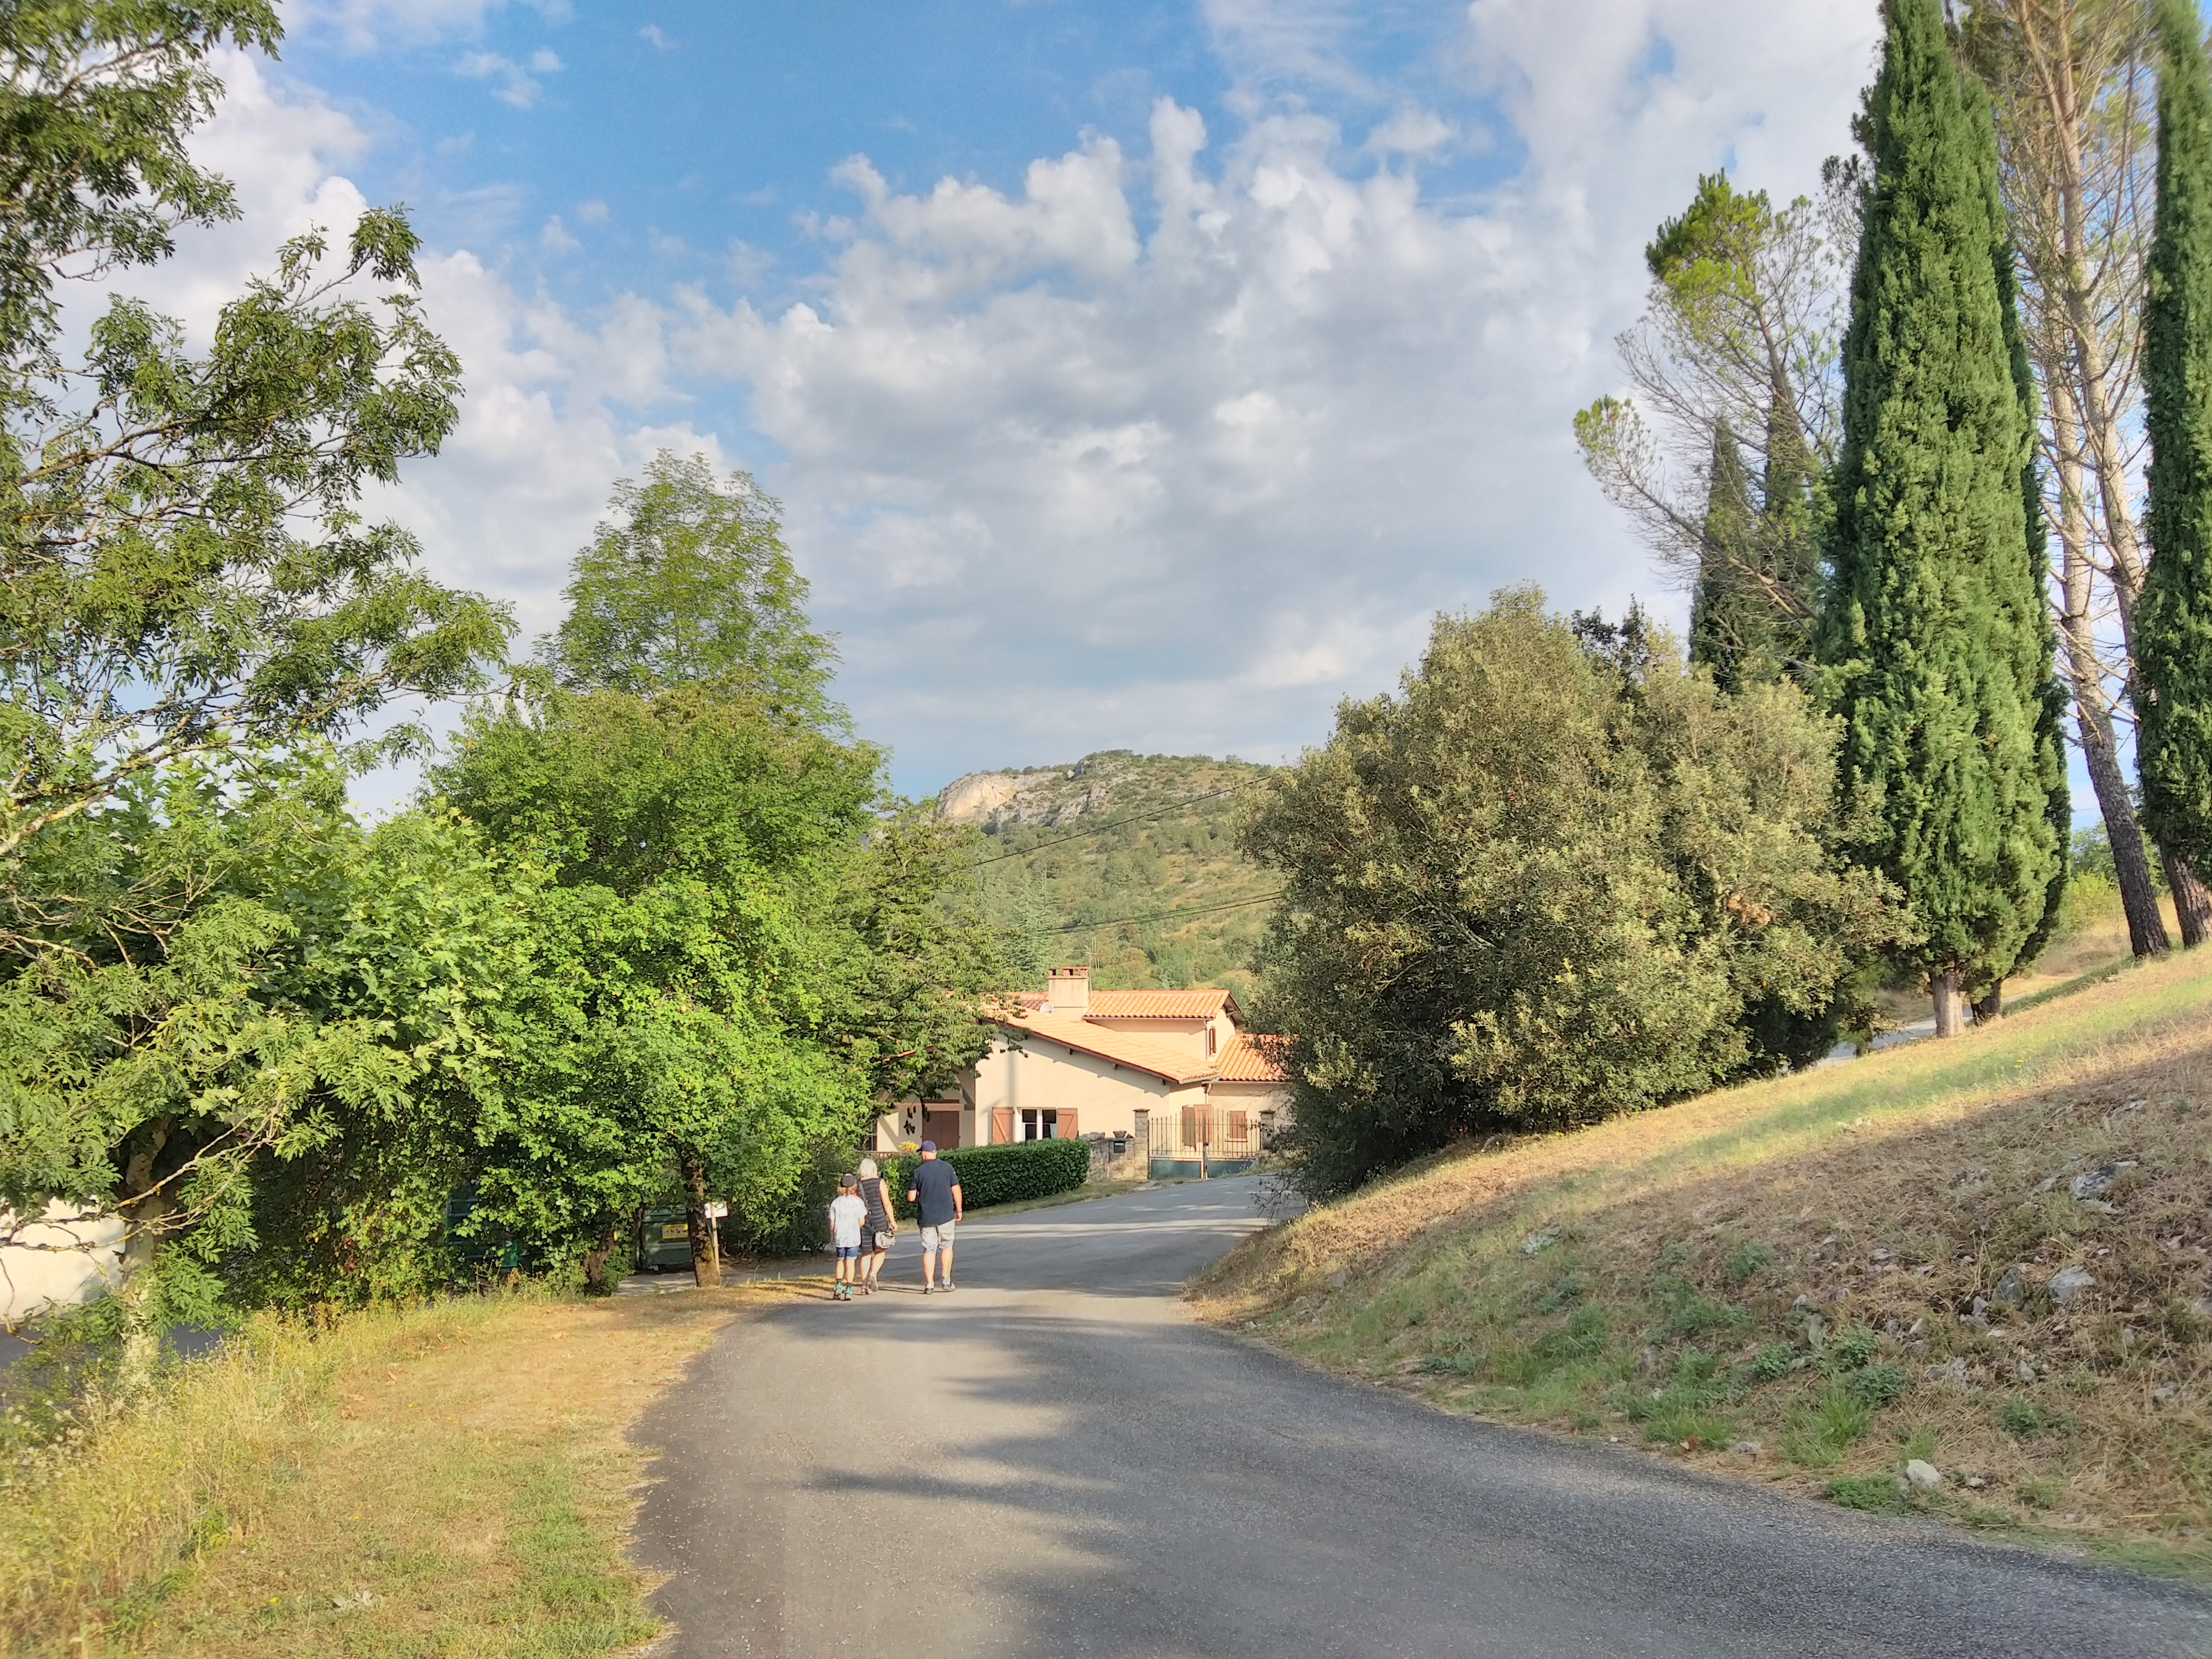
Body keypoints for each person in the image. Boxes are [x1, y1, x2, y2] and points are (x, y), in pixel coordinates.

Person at [905, 1140, 963, 1293]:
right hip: (946, 1215)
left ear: (924, 1154)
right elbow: (956, 1190)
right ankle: (946, 1280)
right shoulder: (948, 1168)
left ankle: (930, 1284)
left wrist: (918, 1193)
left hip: (926, 1217)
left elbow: (911, 1198)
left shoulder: (918, 1172)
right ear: (936, 1152)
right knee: (947, 1246)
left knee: (930, 1249)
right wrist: (959, 1209)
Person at [855, 1156, 896, 1294]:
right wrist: (892, 1221)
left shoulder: (857, 1185)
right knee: (880, 1250)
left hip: (863, 1222)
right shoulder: (880, 1183)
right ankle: (873, 1274)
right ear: (874, 1170)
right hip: (879, 1220)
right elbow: (886, 1204)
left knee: (866, 1254)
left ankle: (864, 1286)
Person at [827, 1175, 867, 1301]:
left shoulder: (836, 1202)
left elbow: (832, 1222)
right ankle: (849, 1288)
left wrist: (833, 1235)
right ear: (854, 1186)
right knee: (851, 1262)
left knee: (840, 1260)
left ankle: (839, 1284)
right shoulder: (858, 1202)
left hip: (840, 1236)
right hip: (853, 1237)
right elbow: (862, 1221)